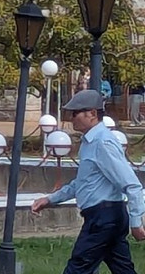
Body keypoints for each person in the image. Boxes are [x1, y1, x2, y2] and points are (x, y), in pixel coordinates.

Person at [31, 89, 145, 274]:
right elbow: (83, 182)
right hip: (104, 217)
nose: (71, 118)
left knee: (77, 269)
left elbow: (131, 184)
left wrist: (136, 222)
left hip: (104, 219)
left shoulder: (102, 143)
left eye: (75, 113)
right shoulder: (90, 142)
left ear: (92, 113)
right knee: (123, 270)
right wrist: (50, 199)